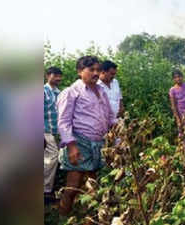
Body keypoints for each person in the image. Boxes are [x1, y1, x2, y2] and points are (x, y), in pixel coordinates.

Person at [57, 56, 116, 215]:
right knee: (73, 185)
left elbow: (109, 115)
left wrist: (116, 128)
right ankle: (62, 215)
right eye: (91, 70)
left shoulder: (102, 90)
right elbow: (63, 121)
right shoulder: (71, 92)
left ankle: (92, 215)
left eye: (98, 70)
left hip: (97, 143)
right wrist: (71, 146)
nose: (96, 73)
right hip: (79, 142)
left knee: (93, 183)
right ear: (79, 72)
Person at [44, 66, 62, 204]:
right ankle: (46, 191)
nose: (58, 78)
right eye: (55, 75)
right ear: (47, 76)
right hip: (44, 130)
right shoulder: (43, 91)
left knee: (52, 159)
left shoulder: (58, 93)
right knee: (52, 157)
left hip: (56, 131)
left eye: (59, 76)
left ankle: (48, 188)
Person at [169, 70, 185, 149]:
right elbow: (174, 106)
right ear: (173, 79)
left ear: (182, 77)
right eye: (176, 77)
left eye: (179, 76)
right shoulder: (172, 90)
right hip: (182, 115)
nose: (178, 79)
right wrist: (178, 119)